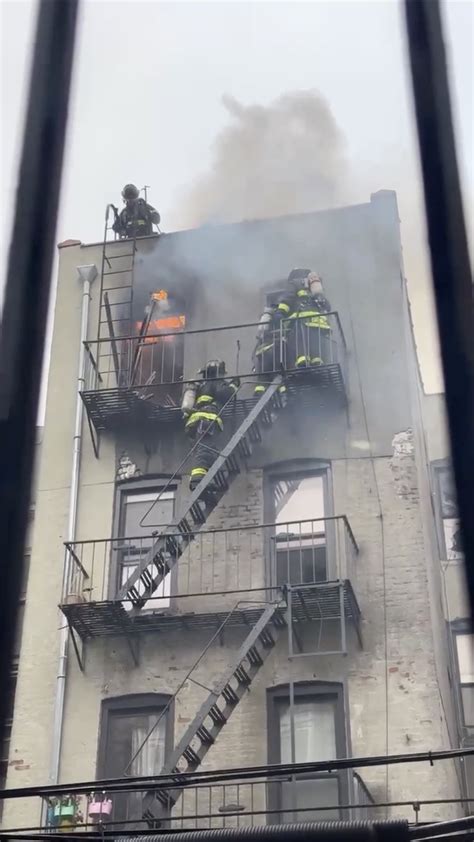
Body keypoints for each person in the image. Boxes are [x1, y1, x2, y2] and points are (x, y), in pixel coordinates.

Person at [182, 361, 239, 495]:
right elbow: (224, 395)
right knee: (204, 451)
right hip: (206, 419)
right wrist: (233, 385)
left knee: (210, 451)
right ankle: (197, 480)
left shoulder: (200, 386)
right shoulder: (215, 382)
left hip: (197, 421)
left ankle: (207, 479)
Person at [287, 268, 332, 369]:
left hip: (302, 320)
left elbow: (287, 300)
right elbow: (327, 307)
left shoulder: (295, 284)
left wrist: (280, 313)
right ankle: (317, 359)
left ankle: (302, 358)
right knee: (315, 340)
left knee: (300, 338)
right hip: (318, 323)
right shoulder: (316, 291)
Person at [252, 297, 291, 397]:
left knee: (262, 378)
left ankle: (258, 393)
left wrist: (254, 365)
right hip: (273, 350)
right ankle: (284, 395)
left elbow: (254, 352)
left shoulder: (265, 319)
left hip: (262, 354)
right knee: (278, 375)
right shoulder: (277, 316)